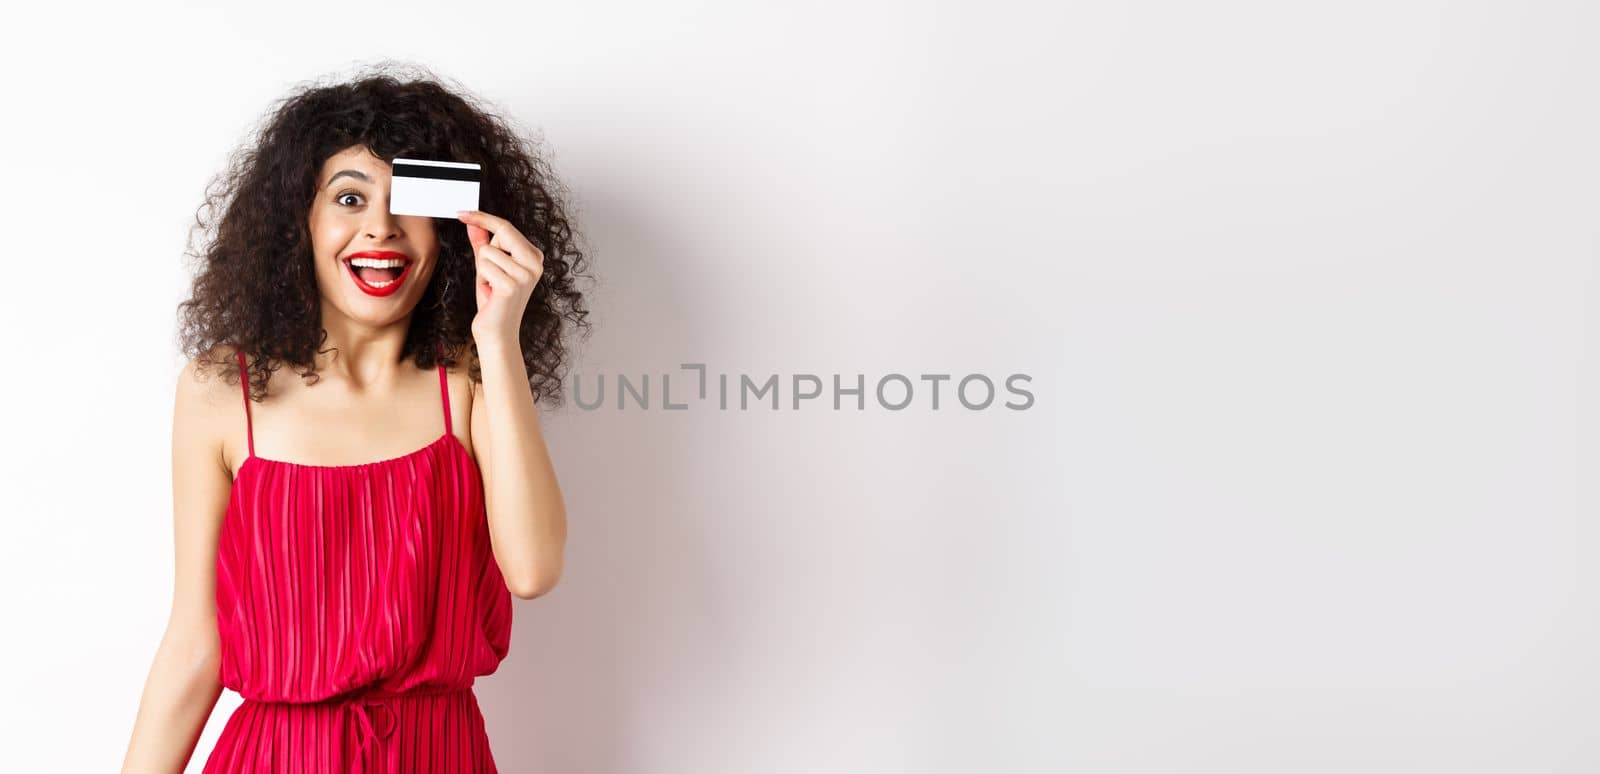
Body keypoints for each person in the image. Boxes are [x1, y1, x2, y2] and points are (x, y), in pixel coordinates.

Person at [121, 63, 589, 773]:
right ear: (298, 224)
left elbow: (531, 569)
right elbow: (196, 640)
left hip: (440, 756)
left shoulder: (469, 380)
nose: (380, 228)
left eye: (409, 202)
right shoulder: (223, 390)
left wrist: (498, 338)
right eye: (348, 197)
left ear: (450, 230)